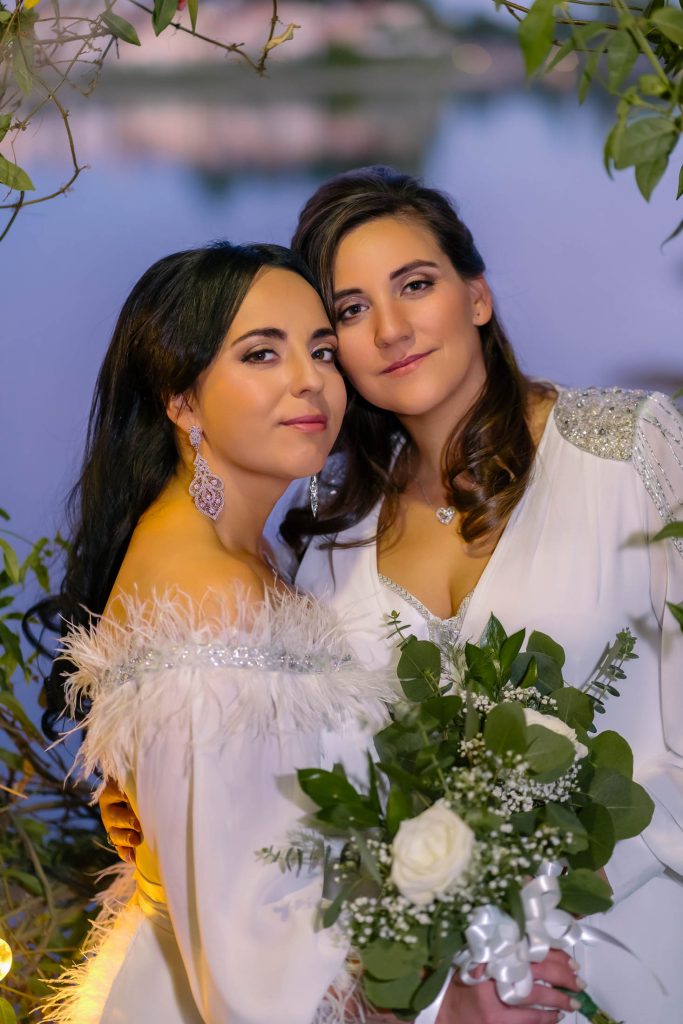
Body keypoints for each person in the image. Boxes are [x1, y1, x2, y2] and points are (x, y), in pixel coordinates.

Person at [105, 165, 683, 1023]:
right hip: (447, 988)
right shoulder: (325, 544)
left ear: (476, 295)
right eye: (348, 311)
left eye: (415, 285)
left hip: (647, 939)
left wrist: (569, 867)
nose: (391, 329)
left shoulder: (633, 450)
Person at [48, 235, 580, 1024]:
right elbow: (248, 965)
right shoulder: (208, 602)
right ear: (181, 400)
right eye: (261, 355)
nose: (310, 382)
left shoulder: (246, 556)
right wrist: (445, 1010)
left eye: (322, 350)